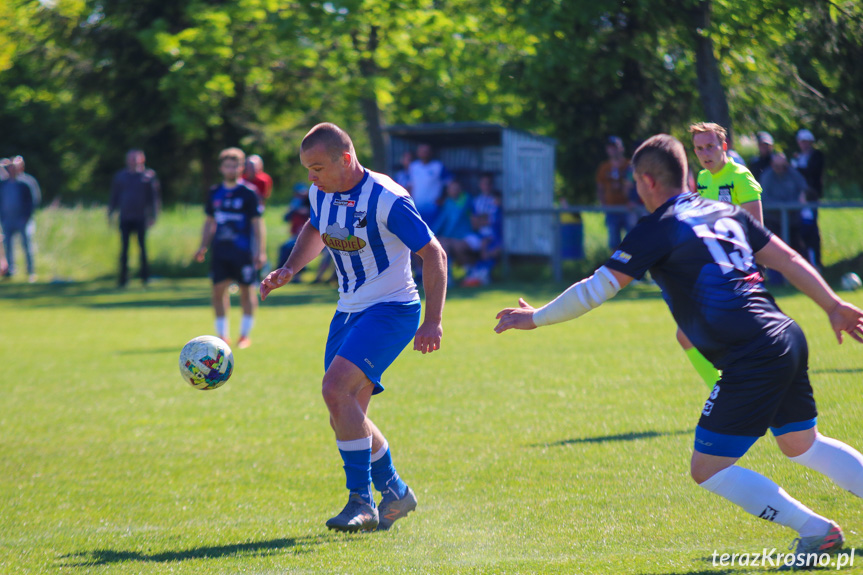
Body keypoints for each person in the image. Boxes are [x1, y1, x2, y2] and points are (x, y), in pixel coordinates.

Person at [495, 133, 863, 567]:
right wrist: (833, 305)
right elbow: (788, 259)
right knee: (802, 445)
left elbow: (595, 290)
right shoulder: (722, 210)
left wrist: (534, 317)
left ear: (648, 181)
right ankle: (818, 531)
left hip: (751, 356)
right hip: (785, 335)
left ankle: (816, 532)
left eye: (636, 182)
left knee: (707, 468)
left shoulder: (657, 228)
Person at [259, 123, 447, 532]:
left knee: (334, 390)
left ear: (346, 159)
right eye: (308, 168)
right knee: (346, 412)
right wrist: (290, 268)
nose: (311, 177)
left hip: (391, 309)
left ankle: (361, 503)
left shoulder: (387, 198)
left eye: (318, 167)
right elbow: (315, 226)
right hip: (347, 312)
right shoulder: (320, 192)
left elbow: (434, 254)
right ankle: (395, 490)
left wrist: (432, 321)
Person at [684, 122, 764, 388]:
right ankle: (721, 390)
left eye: (710, 146)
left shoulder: (740, 177)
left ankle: (734, 390)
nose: (705, 153)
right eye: (699, 149)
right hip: (715, 270)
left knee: (703, 335)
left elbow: (757, 230)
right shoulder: (703, 179)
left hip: (739, 272)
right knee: (686, 334)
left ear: (724, 147)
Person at [195, 147, 266, 349]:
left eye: (235, 165)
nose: (231, 169)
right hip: (220, 251)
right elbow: (209, 222)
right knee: (218, 291)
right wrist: (202, 246)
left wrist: (260, 251)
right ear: (221, 168)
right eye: (227, 165)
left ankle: (244, 335)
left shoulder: (249, 193)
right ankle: (222, 336)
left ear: (242, 167)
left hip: (243, 252)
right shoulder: (215, 192)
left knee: (247, 291)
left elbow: (257, 223)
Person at [108, 149, 160, 288]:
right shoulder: (120, 176)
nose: (133, 161)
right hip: (125, 217)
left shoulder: (148, 176)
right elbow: (114, 196)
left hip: (141, 217)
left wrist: (153, 216)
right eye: (131, 158)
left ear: (142, 160)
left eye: (136, 158)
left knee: (142, 248)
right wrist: (110, 214)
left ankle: (145, 277)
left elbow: (154, 199)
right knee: (124, 249)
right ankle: (123, 279)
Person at [760, 152, 809, 269]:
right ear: (772, 165)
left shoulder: (793, 174)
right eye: (777, 167)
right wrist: (782, 207)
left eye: (783, 166)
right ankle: (777, 282)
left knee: (799, 250)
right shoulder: (767, 177)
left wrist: (802, 196)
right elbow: (764, 199)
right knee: (775, 253)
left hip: (793, 221)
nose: (780, 169)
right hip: (774, 221)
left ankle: (801, 276)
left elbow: (804, 189)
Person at [0, 156, 41, 282]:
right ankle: (10, 270)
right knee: (8, 246)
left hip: (23, 219)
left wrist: (26, 216)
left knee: (26, 245)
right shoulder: (4, 184)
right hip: (7, 219)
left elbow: (33, 201)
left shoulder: (26, 182)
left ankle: (30, 271)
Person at [791, 129, 825, 270]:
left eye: (807, 142)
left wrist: (797, 166)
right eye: (802, 142)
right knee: (800, 230)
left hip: (810, 199)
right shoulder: (797, 157)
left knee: (811, 229)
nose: (805, 145)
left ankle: (815, 262)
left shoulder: (817, 156)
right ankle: (803, 263)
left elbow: (813, 172)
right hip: (797, 201)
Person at [596, 136, 634, 249]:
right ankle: (615, 265)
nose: (613, 150)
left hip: (628, 208)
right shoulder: (604, 167)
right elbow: (600, 188)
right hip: (611, 209)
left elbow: (634, 185)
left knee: (631, 240)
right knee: (614, 242)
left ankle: (630, 265)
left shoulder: (629, 165)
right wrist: (603, 206)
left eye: (615, 147)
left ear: (621, 148)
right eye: (610, 147)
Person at [407, 143, 450, 225]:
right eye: (422, 151)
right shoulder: (413, 166)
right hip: (416, 207)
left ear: (431, 152)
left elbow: (450, 183)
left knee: (432, 233)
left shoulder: (438, 166)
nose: (424, 153)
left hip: (433, 208)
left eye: (427, 151)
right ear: (418, 153)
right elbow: (410, 186)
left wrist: (444, 199)